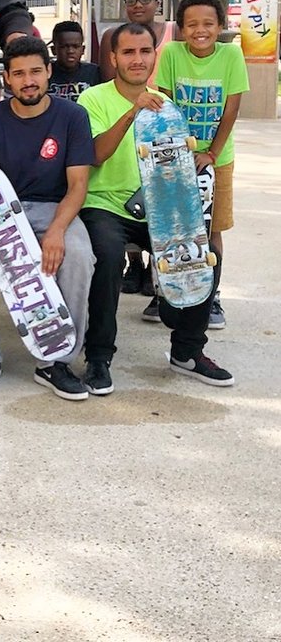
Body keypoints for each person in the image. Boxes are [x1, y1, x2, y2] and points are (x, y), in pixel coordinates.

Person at [76, 22, 233, 394]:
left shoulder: (167, 105)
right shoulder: (93, 99)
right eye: (128, 52)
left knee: (204, 251)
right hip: (107, 205)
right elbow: (96, 154)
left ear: (154, 56)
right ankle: (98, 357)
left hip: (159, 208)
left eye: (145, 52)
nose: (137, 60)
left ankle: (187, 351)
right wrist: (133, 113)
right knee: (109, 255)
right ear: (113, 58)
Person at [0, 37, 95, 400]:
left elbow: (78, 185)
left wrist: (56, 231)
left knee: (79, 254)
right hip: (1, 209)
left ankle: (58, 361)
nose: (28, 80)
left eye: (36, 71)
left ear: (49, 72)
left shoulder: (72, 116)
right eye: (18, 74)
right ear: (7, 79)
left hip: (55, 207)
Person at [155, 0, 248, 329]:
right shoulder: (171, 53)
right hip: (176, 155)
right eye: (191, 24)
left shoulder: (231, 56)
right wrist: (179, 151)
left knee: (212, 227)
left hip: (218, 156)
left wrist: (211, 154)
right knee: (173, 224)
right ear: (180, 28)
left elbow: (231, 109)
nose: (200, 30)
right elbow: (164, 103)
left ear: (220, 25)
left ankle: (212, 294)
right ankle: (166, 289)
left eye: (208, 23)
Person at [99, 0, 177, 304]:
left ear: (158, 1)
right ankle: (136, 267)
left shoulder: (174, 37)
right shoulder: (110, 39)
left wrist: (160, 108)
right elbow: (109, 82)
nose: (138, 5)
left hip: (161, 115)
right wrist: (131, 106)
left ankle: (161, 282)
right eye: (131, 0)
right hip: (127, 115)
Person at [48, 20, 100, 100]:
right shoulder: (46, 73)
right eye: (64, 46)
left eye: (75, 46)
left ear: (82, 50)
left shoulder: (94, 73)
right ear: (53, 50)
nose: (70, 51)